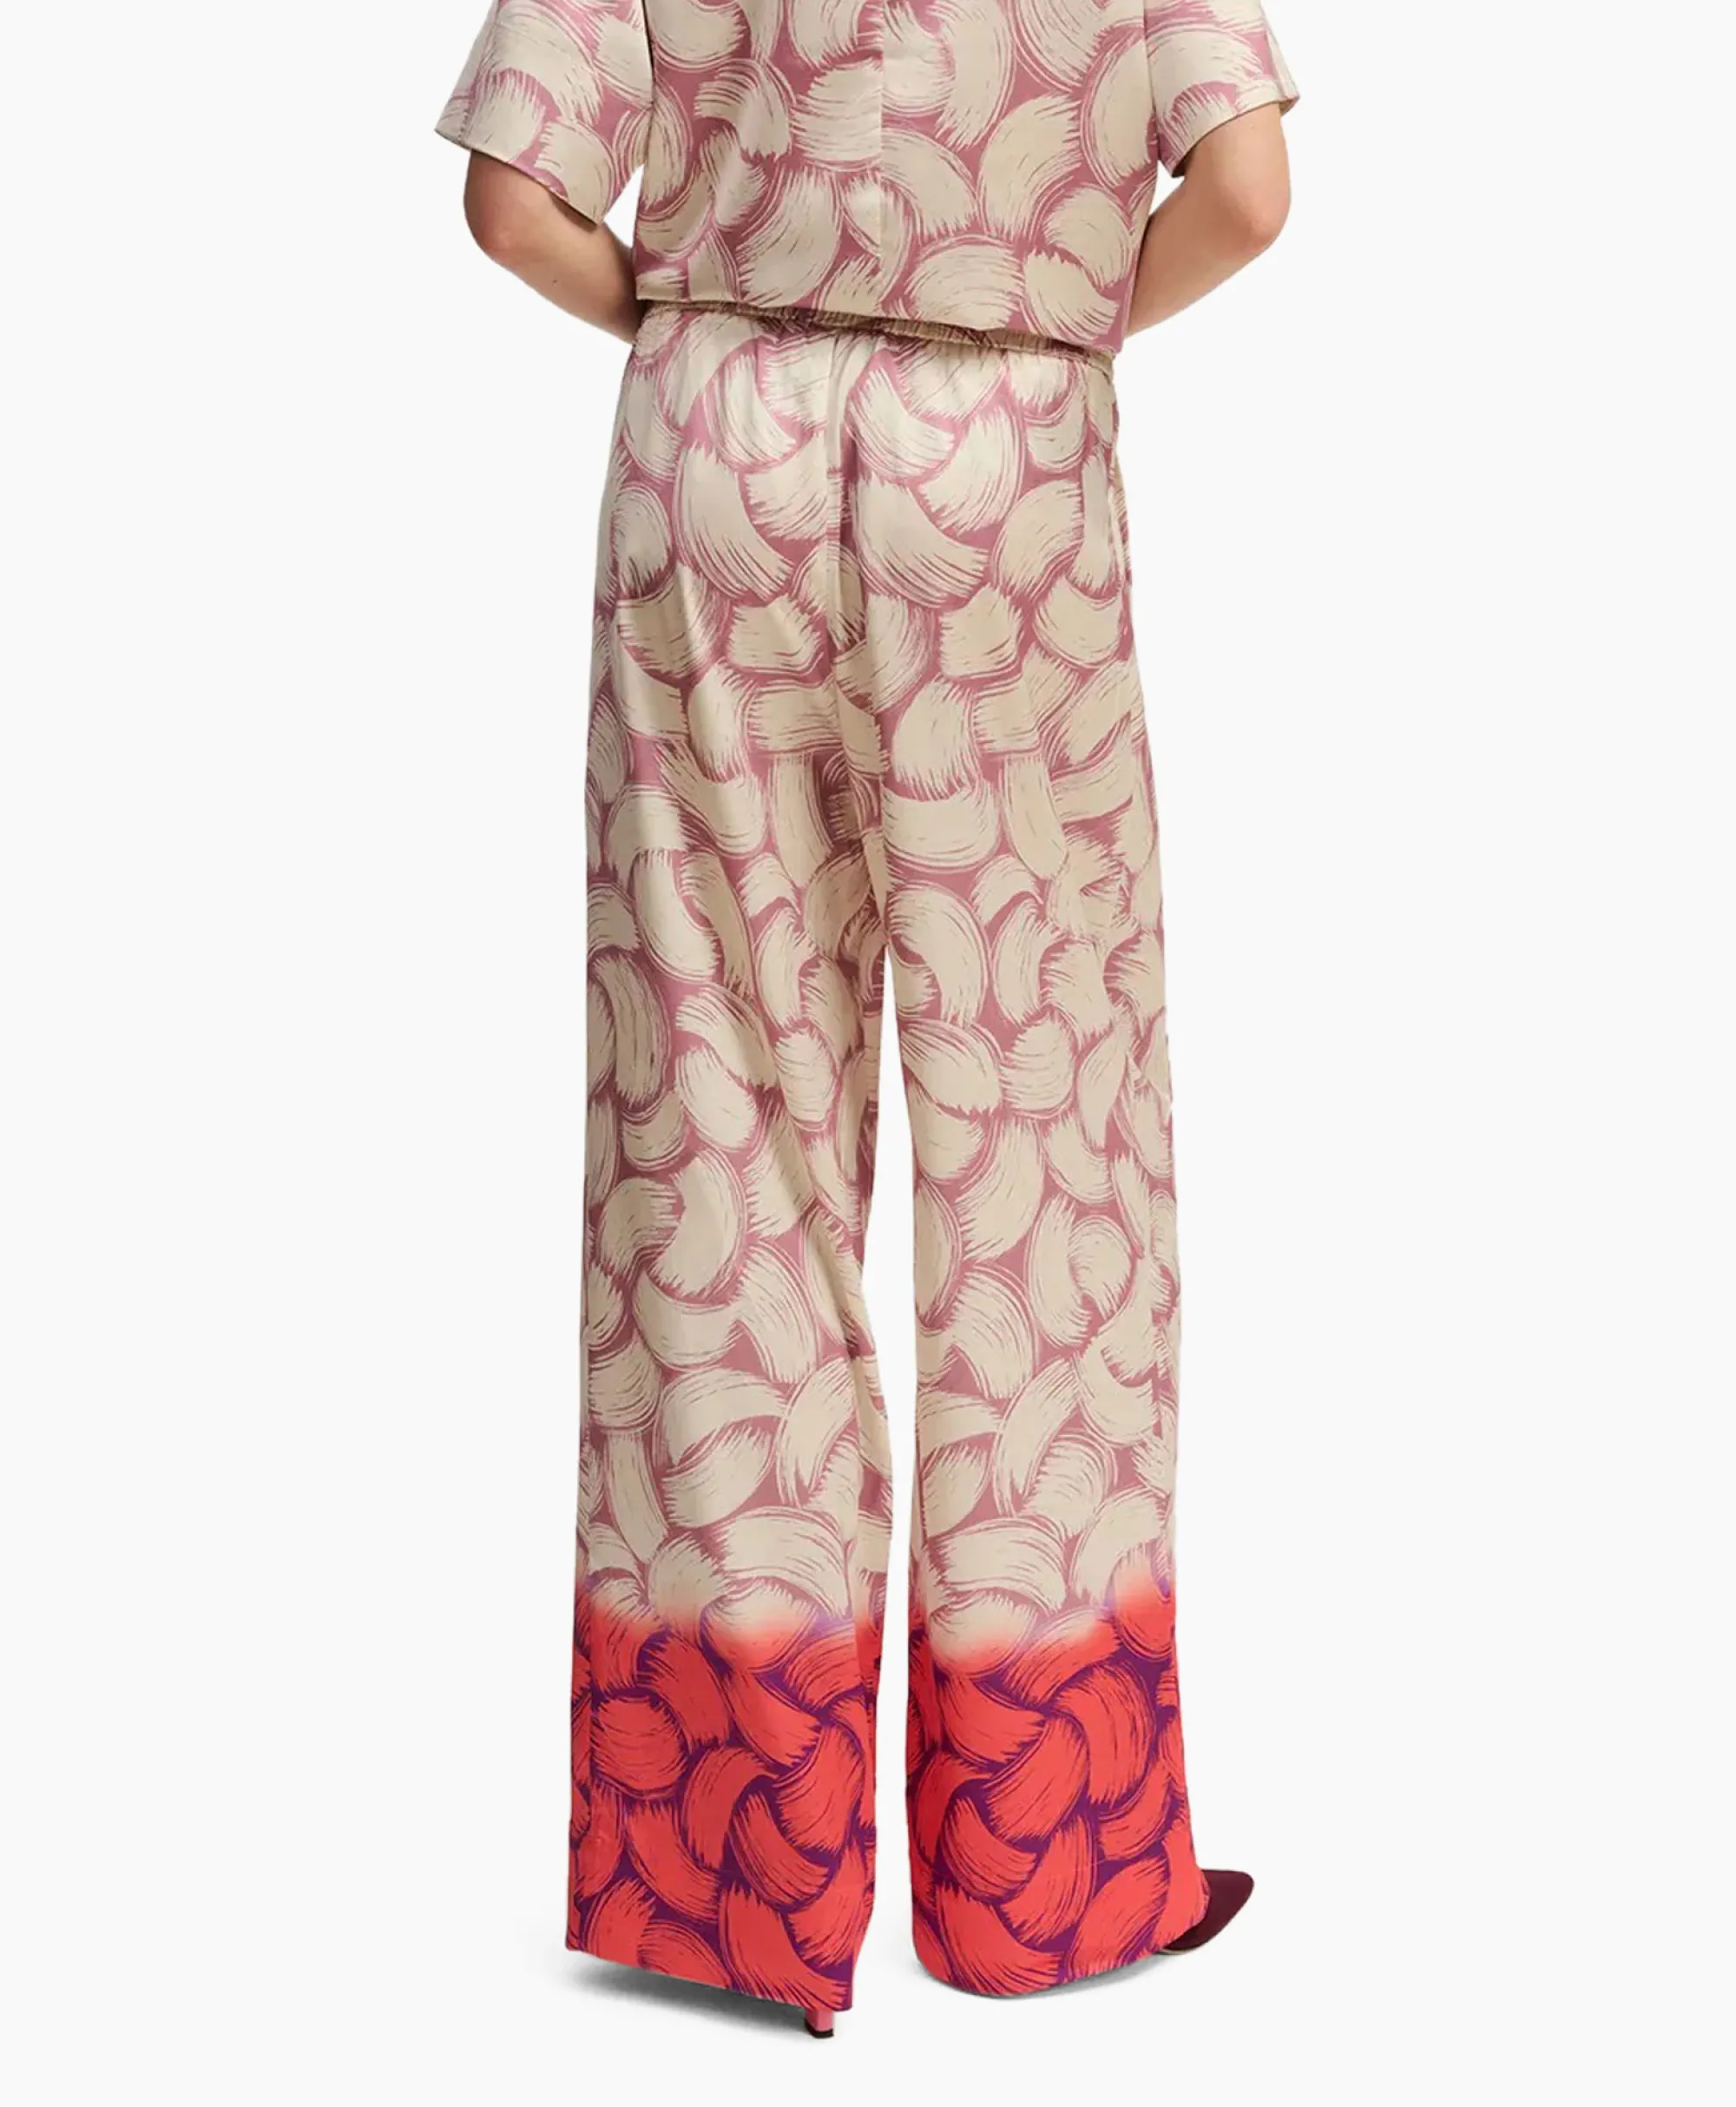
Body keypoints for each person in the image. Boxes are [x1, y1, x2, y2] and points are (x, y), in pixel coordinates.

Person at [436, 0, 1298, 2037]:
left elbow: (512, 204)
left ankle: (730, 1882)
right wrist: (1049, 320)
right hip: (1002, 466)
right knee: (1048, 1154)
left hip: (711, 447)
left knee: (711, 1135)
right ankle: (1047, 1868)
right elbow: (1248, 195)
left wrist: (695, 307)